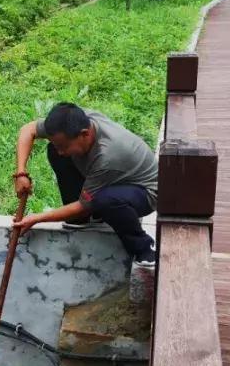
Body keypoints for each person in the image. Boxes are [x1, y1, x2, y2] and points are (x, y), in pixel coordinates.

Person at [12, 102, 158, 265]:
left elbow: (83, 205)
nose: (61, 151)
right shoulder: (71, 123)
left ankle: (143, 249)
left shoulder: (108, 156)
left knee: (105, 201)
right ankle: (81, 221)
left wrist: (37, 218)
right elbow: (28, 129)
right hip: (112, 179)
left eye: (65, 146)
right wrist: (21, 173)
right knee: (55, 152)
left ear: (85, 134)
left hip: (144, 192)